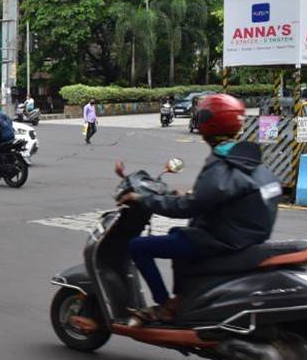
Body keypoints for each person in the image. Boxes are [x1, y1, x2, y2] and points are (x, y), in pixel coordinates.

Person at [117, 94, 281, 324]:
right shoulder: (246, 158)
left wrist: (143, 199)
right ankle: (184, 298)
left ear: (207, 122)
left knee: (138, 246)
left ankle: (165, 306)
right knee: (178, 235)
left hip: (223, 239)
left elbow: (189, 208)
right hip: (245, 237)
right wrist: (191, 196)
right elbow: (228, 194)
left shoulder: (221, 162)